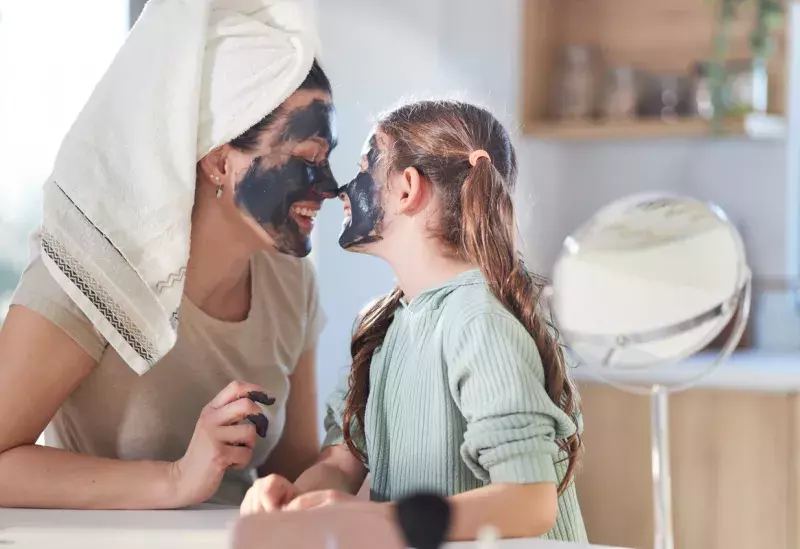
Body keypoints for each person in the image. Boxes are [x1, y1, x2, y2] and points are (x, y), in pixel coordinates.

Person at [0, 0, 336, 509]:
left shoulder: (293, 283)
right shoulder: (93, 269)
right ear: (219, 160)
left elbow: (291, 473)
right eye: (308, 159)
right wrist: (177, 479)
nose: (330, 187)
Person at [241, 100, 588, 542]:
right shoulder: (383, 328)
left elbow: (529, 502)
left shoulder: (478, 322)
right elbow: (340, 464)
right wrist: (290, 500)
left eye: (366, 169)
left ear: (407, 189)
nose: (341, 190)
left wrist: (383, 521)